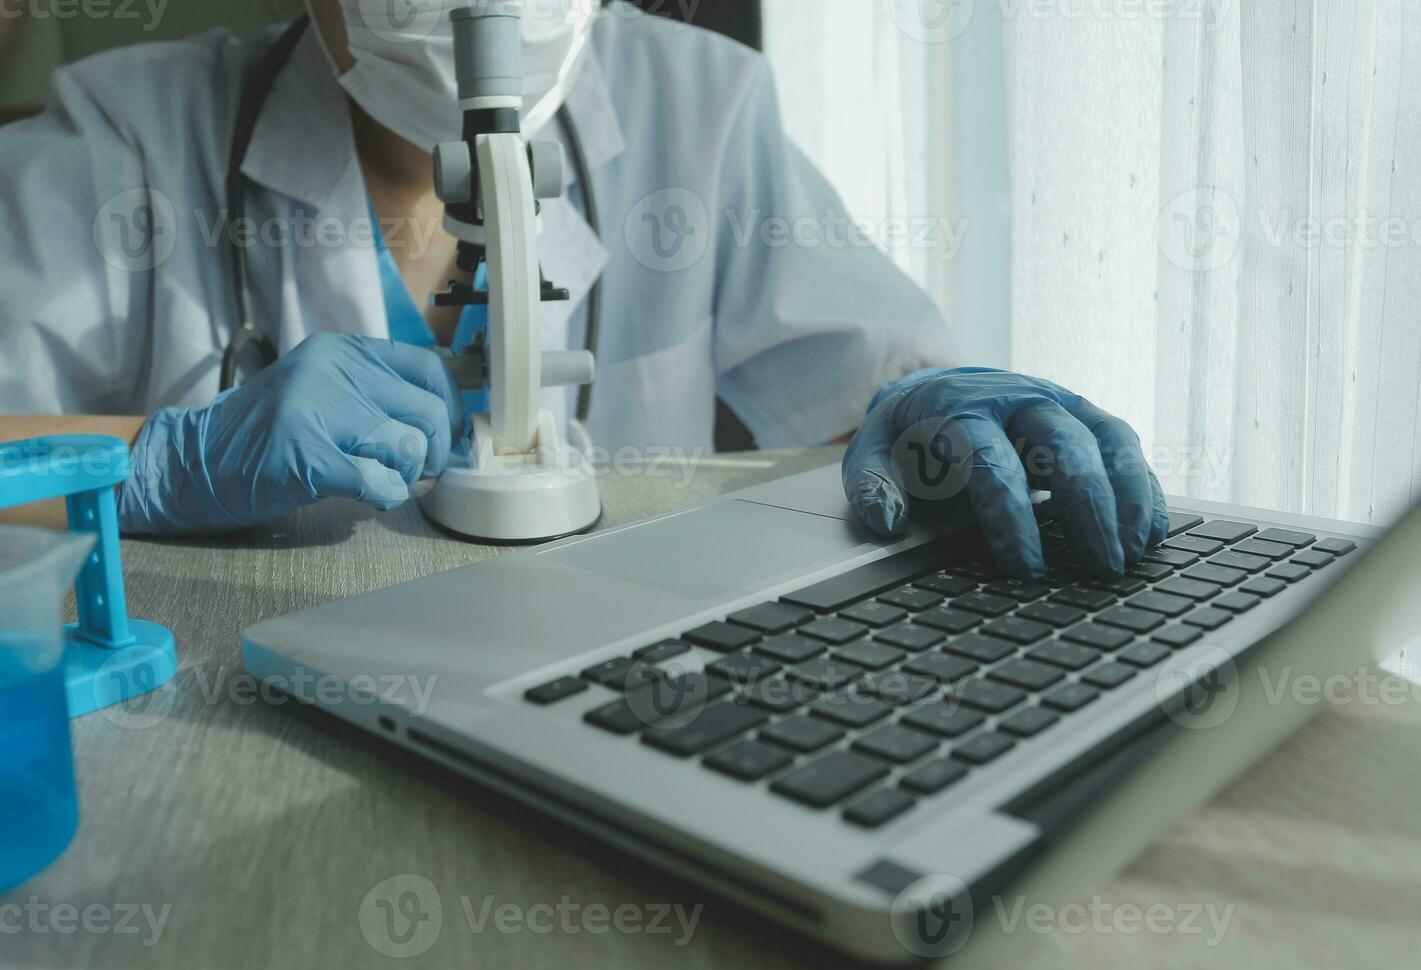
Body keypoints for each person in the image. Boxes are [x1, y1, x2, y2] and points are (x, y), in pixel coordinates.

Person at [0, 0, 1168, 579]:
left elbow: (875, 392)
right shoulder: (127, 140)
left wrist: (936, 413)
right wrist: (157, 460)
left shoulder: (699, 106)